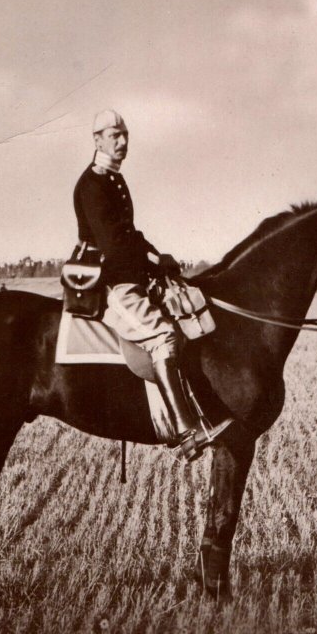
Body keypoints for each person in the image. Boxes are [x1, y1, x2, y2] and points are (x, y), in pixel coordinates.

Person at [73, 109, 222, 458]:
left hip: (129, 276)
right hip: (113, 284)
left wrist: (158, 255)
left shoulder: (113, 179)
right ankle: (186, 431)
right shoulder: (92, 184)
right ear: (97, 140)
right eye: (114, 136)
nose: (122, 142)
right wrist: (152, 262)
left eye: (125, 135)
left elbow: (131, 234)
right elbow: (114, 244)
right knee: (164, 335)